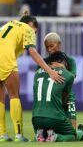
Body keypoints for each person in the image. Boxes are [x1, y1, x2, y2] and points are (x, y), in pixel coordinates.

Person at [0, 13, 64, 142]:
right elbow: (33, 53)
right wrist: (50, 71)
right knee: (14, 95)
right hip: (5, 59)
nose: (34, 35)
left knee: (0, 98)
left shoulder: (7, 25)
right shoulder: (27, 28)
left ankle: (2, 134)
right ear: (31, 25)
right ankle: (19, 135)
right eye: (35, 32)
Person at [32, 51, 83, 142]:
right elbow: (65, 100)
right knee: (73, 135)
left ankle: (39, 136)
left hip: (36, 118)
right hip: (55, 118)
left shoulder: (36, 74)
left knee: (44, 131)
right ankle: (56, 137)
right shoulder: (68, 75)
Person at [43, 32, 77, 129]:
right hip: (51, 99)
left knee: (72, 131)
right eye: (47, 47)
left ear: (59, 44)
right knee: (50, 131)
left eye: (52, 46)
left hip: (68, 98)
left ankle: (80, 132)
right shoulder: (44, 62)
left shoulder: (70, 61)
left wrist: (63, 68)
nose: (49, 50)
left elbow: (72, 78)